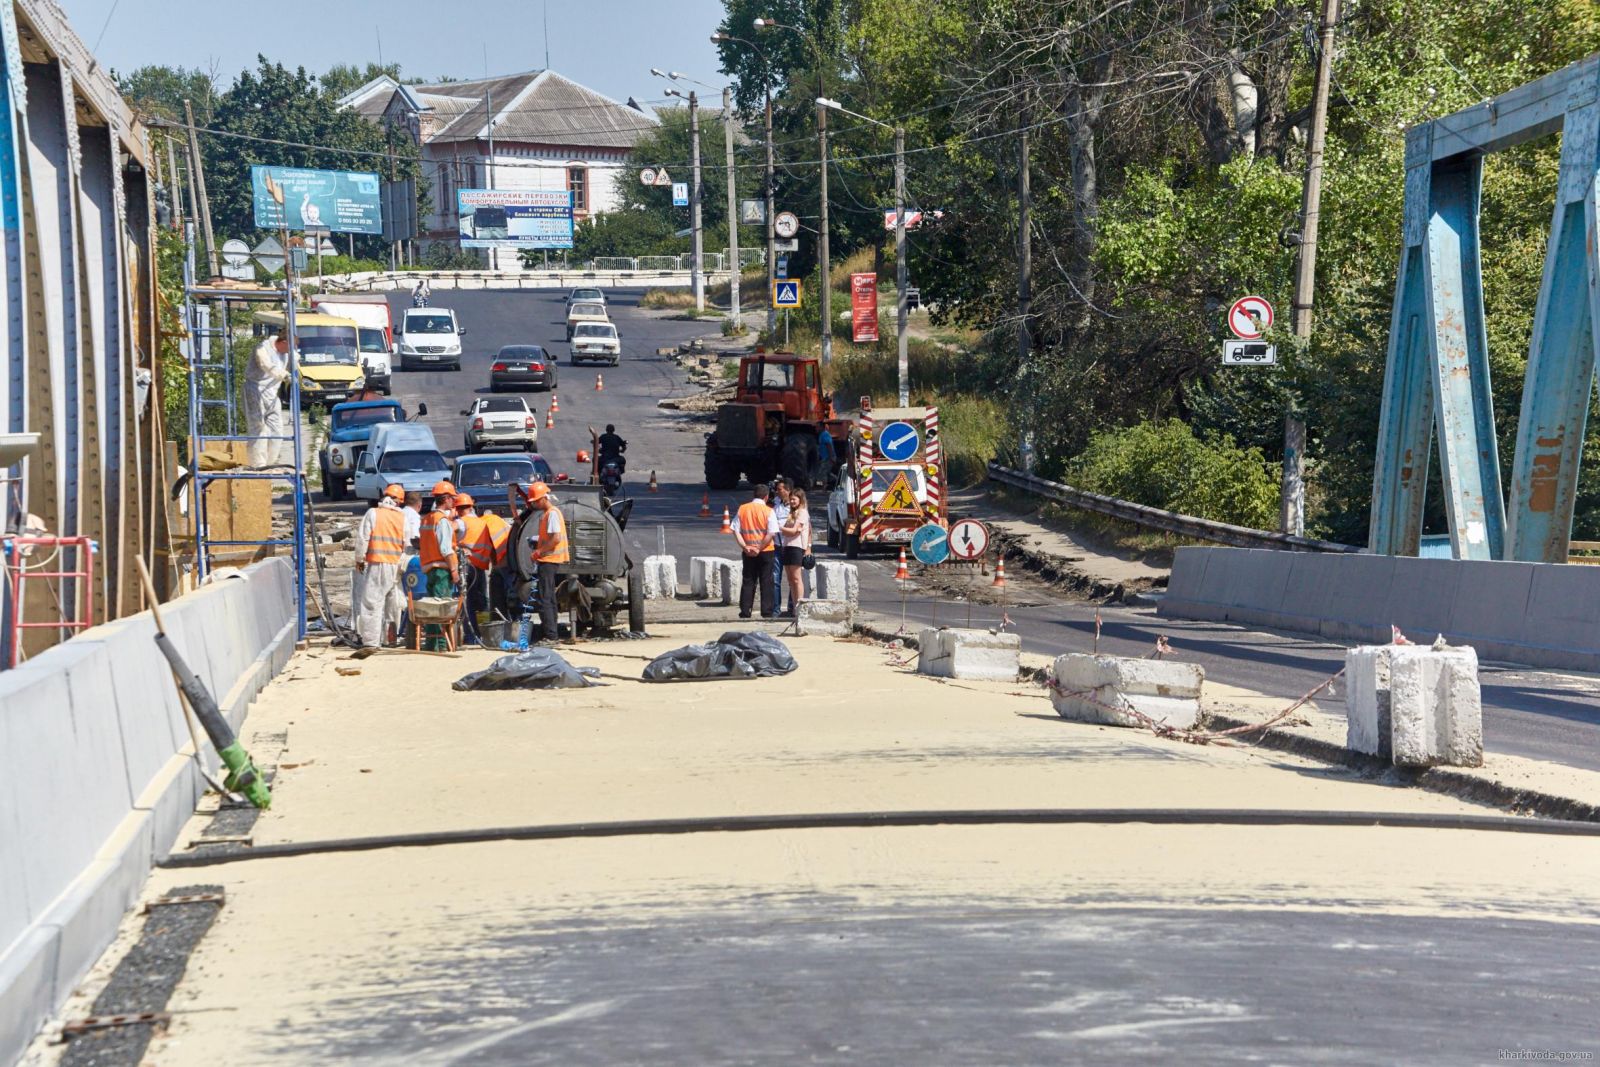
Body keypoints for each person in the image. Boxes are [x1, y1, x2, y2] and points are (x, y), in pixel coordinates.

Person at [352, 484, 407, 648]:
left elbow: (363, 538)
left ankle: (371, 642)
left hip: (377, 563)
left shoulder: (373, 513)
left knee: (372, 603)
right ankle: (390, 639)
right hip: (396, 565)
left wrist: (359, 560)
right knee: (393, 605)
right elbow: (407, 541)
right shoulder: (402, 517)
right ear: (399, 501)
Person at [416, 482, 459, 651]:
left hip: (429, 568)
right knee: (441, 609)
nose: (454, 501)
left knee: (432, 609)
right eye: (452, 498)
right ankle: (441, 646)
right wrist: (454, 570)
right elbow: (446, 549)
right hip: (442, 570)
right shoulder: (442, 521)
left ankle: (432, 645)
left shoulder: (427, 518)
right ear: (446, 499)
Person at [525, 481, 569, 643]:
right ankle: (552, 633)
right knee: (548, 597)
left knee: (545, 598)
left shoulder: (552, 514)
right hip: (549, 559)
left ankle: (551, 635)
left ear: (544, 498)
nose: (534, 504)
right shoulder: (549, 514)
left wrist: (539, 551)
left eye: (535, 501)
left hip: (549, 560)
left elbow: (555, 538)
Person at [732, 483, 779, 619]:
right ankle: (767, 612)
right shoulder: (769, 511)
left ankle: (745, 611)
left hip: (748, 551)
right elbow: (771, 533)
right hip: (766, 551)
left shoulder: (743, 509)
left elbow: (735, 530)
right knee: (766, 581)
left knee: (748, 580)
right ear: (766, 497)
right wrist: (759, 548)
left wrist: (745, 546)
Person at [244, 333, 290, 468]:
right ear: (283, 342)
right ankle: (258, 464)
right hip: (255, 389)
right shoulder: (263, 348)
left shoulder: (285, 353)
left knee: (277, 428)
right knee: (258, 427)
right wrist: (283, 375)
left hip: (272, 392)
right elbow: (265, 364)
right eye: (291, 345)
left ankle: (269, 463)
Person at [455, 494, 489, 644]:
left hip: (466, 567)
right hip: (480, 567)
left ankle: (470, 636)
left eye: (460, 508)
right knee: (481, 602)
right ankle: (484, 633)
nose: (459, 511)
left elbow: (450, 528)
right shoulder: (482, 522)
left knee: (466, 602)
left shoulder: (462, 522)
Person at [780, 487, 812, 619]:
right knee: (790, 580)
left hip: (796, 547)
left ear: (800, 499)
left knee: (797, 578)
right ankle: (794, 608)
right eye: (790, 499)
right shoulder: (792, 513)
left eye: (794, 499)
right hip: (787, 546)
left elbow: (794, 531)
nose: (792, 501)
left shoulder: (802, 512)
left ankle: (800, 607)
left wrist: (779, 527)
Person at [769, 478, 792, 614]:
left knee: (792, 579)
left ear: (788, 490)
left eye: (780, 489)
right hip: (777, 546)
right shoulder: (775, 503)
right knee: (775, 578)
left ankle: (791, 607)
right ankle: (775, 610)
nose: (777, 492)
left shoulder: (795, 505)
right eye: (776, 489)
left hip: (791, 546)